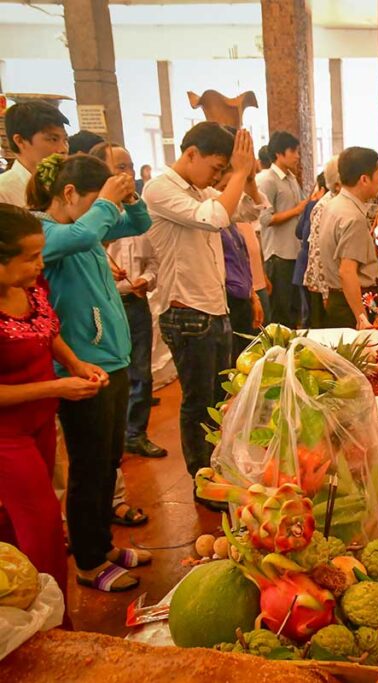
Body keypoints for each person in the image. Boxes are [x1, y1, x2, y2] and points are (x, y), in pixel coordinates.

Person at [28, 153, 154, 592]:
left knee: (108, 463)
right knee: (88, 467)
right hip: (81, 368)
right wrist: (105, 201)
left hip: (111, 361)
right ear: (68, 194)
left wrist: (130, 197)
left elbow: (138, 225)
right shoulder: (43, 231)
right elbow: (79, 236)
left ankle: (103, 546)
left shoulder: (90, 224)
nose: (105, 211)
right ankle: (87, 561)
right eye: (96, 199)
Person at [142, 123, 264, 493]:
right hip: (186, 312)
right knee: (198, 404)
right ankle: (201, 480)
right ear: (190, 153)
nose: (218, 176)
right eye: (216, 166)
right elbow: (215, 218)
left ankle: (217, 472)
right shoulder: (160, 188)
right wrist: (238, 173)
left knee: (218, 400)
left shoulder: (201, 190)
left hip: (213, 308)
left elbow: (250, 210)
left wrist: (249, 175)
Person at [0, 203, 104, 619]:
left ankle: (20, 623)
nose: (39, 264)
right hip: (7, 436)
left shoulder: (29, 287)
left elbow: (46, 331)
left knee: (12, 526)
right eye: (29, 257)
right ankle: (56, 626)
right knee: (43, 528)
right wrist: (57, 385)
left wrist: (76, 363)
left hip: (41, 422)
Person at [91, 143, 166, 538]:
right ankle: (95, 530)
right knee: (95, 441)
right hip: (102, 314)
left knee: (140, 373)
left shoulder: (127, 216)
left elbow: (147, 244)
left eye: (130, 167)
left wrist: (145, 280)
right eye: (119, 168)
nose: (127, 174)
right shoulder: (88, 223)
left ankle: (135, 435)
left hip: (133, 301)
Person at [312, 147, 378, 328]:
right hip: (353, 301)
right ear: (364, 179)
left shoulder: (333, 204)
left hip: (339, 297)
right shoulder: (353, 217)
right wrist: (362, 318)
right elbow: (347, 271)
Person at [258, 131, 311, 327]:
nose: (297, 155)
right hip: (278, 255)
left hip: (294, 253)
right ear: (279, 153)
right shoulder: (267, 180)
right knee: (281, 315)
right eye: (293, 151)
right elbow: (264, 219)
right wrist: (296, 210)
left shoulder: (290, 178)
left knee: (294, 311)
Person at [214, 168, 265, 363]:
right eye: (223, 188)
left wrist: (253, 296)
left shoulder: (232, 223)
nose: (229, 193)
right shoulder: (211, 224)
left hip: (243, 298)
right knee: (233, 363)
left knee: (249, 357)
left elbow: (242, 261)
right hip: (227, 301)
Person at [0, 101, 69, 206]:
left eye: (65, 140)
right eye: (53, 139)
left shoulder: (67, 185)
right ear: (20, 141)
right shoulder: (4, 191)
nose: (63, 149)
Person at [292, 172, 328, 328]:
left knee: (308, 316)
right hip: (318, 271)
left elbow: (299, 232)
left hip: (304, 265)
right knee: (317, 317)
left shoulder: (312, 205)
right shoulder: (325, 206)